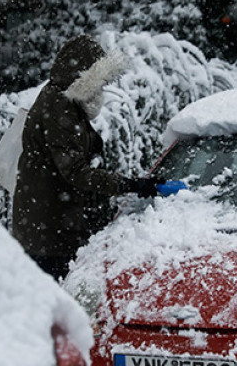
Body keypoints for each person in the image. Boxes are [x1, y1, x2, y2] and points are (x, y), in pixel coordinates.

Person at [12, 35, 159, 280]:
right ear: (84, 78)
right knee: (58, 303)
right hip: (49, 231)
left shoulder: (61, 100)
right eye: (98, 82)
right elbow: (75, 172)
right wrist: (128, 185)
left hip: (49, 222)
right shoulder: (59, 107)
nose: (101, 89)